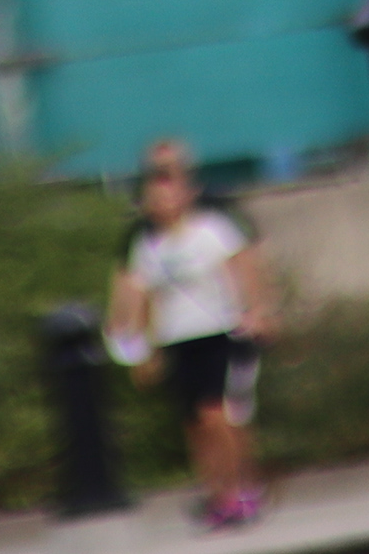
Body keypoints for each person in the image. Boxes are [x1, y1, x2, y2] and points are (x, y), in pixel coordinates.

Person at [109, 137, 276, 530]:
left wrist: (256, 312)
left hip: (217, 332)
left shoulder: (212, 228)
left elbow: (243, 266)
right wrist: (143, 348)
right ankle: (216, 493)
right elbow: (142, 294)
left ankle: (241, 488)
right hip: (177, 338)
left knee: (218, 415)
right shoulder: (147, 244)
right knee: (195, 424)